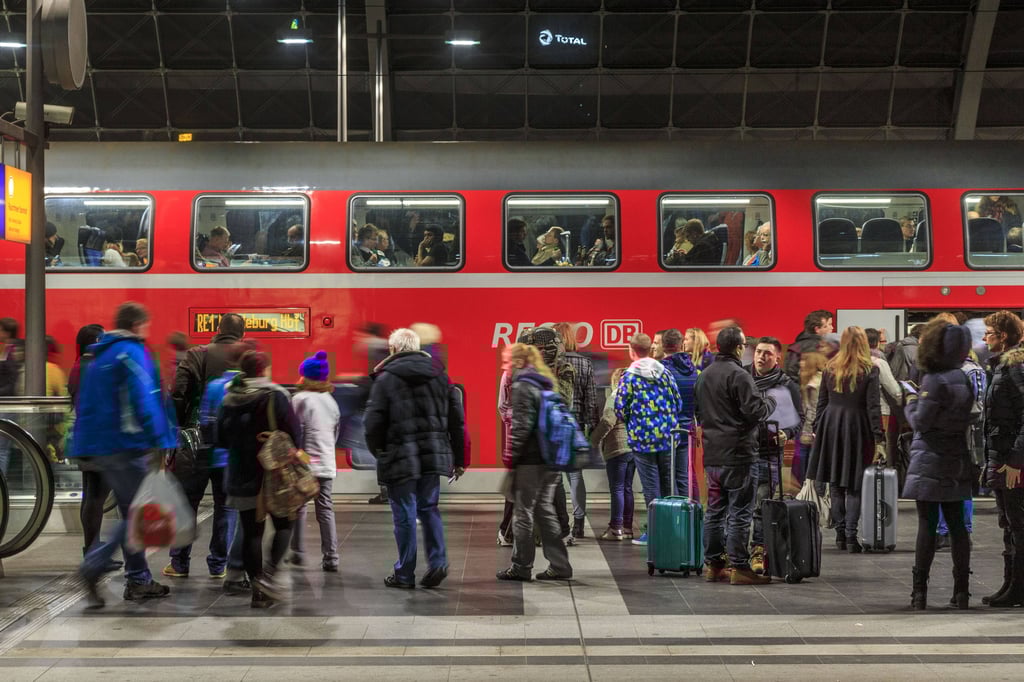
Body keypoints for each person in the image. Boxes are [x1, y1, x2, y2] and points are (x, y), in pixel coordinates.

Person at [76, 302, 176, 606]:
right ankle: (93, 567)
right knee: (136, 513)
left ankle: (138, 579)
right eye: (146, 326)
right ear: (137, 325)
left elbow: (86, 403)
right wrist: (161, 438)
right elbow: (144, 399)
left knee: (131, 510)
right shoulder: (131, 352)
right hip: (127, 445)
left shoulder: (98, 355)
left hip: (101, 445)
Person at [364, 328, 466, 588]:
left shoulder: (386, 379)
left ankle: (405, 573)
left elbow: (372, 423)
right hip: (432, 453)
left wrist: (380, 451)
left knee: (405, 514)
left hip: (399, 455)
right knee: (429, 508)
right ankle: (438, 562)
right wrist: (460, 457)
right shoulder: (440, 376)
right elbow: (457, 419)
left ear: (394, 349)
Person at [162, 340, 252, 582]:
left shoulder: (212, 383)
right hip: (230, 457)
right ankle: (218, 564)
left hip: (202, 450)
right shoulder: (246, 387)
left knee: (187, 503)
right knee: (226, 508)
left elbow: (199, 415)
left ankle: (179, 563)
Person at [903, 319, 976, 610]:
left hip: (930, 458)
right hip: (957, 456)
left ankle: (919, 592)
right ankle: (962, 591)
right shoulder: (963, 377)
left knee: (927, 524)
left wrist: (910, 402)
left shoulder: (935, 379)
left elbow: (921, 422)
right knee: (958, 526)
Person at [218, 349, 300, 607]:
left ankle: (258, 590)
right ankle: (270, 576)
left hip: (241, 474)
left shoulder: (229, 399)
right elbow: (294, 434)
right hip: (274, 474)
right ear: (264, 369)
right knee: (284, 524)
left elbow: (220, 438)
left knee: (251, 532)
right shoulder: (276, 396)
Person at [694, 325, 775, 585]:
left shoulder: (704, 375)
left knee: (714, 512)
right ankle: (740, 567)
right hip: (739, 455)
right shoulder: (740, 375)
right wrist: (770, 402)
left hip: (712, 455)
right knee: (740, 512)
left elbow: (699, 413)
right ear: (739, 348)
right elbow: (755, 412)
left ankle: (714, 564)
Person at [496, 343, 573, 582]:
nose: (504, 366)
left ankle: (521, 566)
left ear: (519, 362)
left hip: (530, 460)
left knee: (522, 513)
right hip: (551, 458)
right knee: (544, 512)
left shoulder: (522, 385)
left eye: (507, 361)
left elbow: (521, 426)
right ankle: (560, 565)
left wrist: (512, 458)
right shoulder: (545, 381)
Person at [806, 326, 884, 553]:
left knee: (835, 483)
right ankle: (851, 536)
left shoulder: (830, 367)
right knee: (854, 485)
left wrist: (818, 428)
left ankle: (840, 534)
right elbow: (873, 407)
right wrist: (879, 437)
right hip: (857, 427)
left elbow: (822, 402)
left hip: (831, 425)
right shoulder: (870, 370)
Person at [614, 333, 682, 547]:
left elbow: (620, 408)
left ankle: (655, 533)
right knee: (669, 486)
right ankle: (675, 532)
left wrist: (633, 421)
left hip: (642, 439)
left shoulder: (629, 376)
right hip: (667, 437)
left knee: (651, 487)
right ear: (650, 349)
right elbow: (678, 402)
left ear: (631, 350)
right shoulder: (665, 372)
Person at [745, 336, 802, 574]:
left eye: (767, 353)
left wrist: (787, 433)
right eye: (759, 351)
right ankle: (735, 553)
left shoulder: (787, 385)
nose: (761, 356)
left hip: (769, 455)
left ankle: (758, 551)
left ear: (777, 357)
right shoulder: (742, 378)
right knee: (739, 507)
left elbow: (799, 419)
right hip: (743, 452)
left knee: (762, 505)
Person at [980, 310, 1024, 607]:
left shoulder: (1015, 367)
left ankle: (1018, 588)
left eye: (989, 333)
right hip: (1002, 456)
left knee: (1018, 525)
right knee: (1008, 524)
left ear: (1003, 336)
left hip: (1012, 460)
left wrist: (1016, 460)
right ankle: (1010, 584)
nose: (985, 338)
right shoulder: (1001, 366)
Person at [66, 323, 118, 568]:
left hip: (85, 437)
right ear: (96, 341)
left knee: (91, 496)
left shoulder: (78, 366)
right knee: (96, 497)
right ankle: (93, 555)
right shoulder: (94, 367)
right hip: (99, 439)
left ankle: (92, 550)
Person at [288, 351, 341, 572]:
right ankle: (331, 557)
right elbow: (335, 434)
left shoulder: (300, 399)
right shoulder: (331, 401)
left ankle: (298, 552)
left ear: (306, 376)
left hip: (305, 462)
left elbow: (295, 431)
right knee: (325, 509)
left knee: (299, 507)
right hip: (326, 463)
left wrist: (300, 456)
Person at [554, 322, 598, 539]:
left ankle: (558, 520)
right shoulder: (585, 363)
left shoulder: (552, 363)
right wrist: (592, 424)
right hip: (576, 423)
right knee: (575, 475)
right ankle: (578, 522)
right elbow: (591, 398)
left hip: (554, 423)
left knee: (554, 475)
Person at [172, 312, 246, 428]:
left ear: (218, 330)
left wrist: (181, 421)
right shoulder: (249, 357)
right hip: (239, 426)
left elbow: (178, 390)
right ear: (243, 335)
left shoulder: (197, 353)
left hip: (203, 425)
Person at [591, 367, 636, 540]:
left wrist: (593, 440)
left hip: (617, 447)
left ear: (615, 381)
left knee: (617, 488)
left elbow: (608, 421)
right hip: (633, 448)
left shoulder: (616, 396)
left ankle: (616, 528)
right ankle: (627, 527)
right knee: (627, 488)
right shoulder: (635, 397)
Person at [660, 328, 700, 498]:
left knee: (668, 477)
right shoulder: (693, 370)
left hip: (667, 431)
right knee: (684, 476)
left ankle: (674, 512)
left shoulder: (662, 370)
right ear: (681, 344)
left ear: (663, 345)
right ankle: (688, 510)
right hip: (687, 428)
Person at [865, 328, 903, 468]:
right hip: (881, 411)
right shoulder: (879, 362)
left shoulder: (854, 361)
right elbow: (894, 390)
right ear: (876, 343)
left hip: (859, 413)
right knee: (877, 450)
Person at [794, 351, 827, 487]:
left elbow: (812, 409)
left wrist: (807, 432)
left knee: (804, 459)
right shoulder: (819, 379)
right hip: (817, 427)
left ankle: (805, 489)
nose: (800, 363)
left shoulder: (813, 384)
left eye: (804, 361)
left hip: (810, 429)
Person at [783, 310, 834, 382]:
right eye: (829, 324)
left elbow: (789, 374)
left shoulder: (795, 347)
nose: (832, 328)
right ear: (817, 329)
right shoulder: (827, 348)